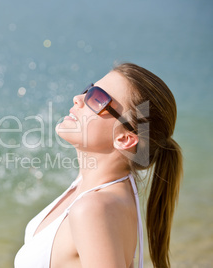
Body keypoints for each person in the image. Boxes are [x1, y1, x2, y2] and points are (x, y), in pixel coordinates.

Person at [14, 63, 183, 268]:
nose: (78, 98)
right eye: (89, 89)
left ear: (125, 139)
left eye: (98, 99)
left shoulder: (93, 210)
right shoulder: (96, 185)